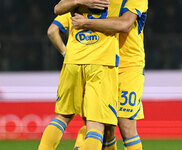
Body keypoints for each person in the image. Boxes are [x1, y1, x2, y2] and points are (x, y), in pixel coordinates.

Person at [38, 0, 127, 150]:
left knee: (62, 117)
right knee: (96, 124)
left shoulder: (75, 3)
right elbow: (125, 24)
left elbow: (55, 16)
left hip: (73, 61)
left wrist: (80, 2)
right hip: (101, 64)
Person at [71, 0, 148, 150]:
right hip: (102, 63)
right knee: (105, 126)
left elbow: (124, 24)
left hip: (129, 66)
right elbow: (59, 8)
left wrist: (86, 23)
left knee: (126, 125)